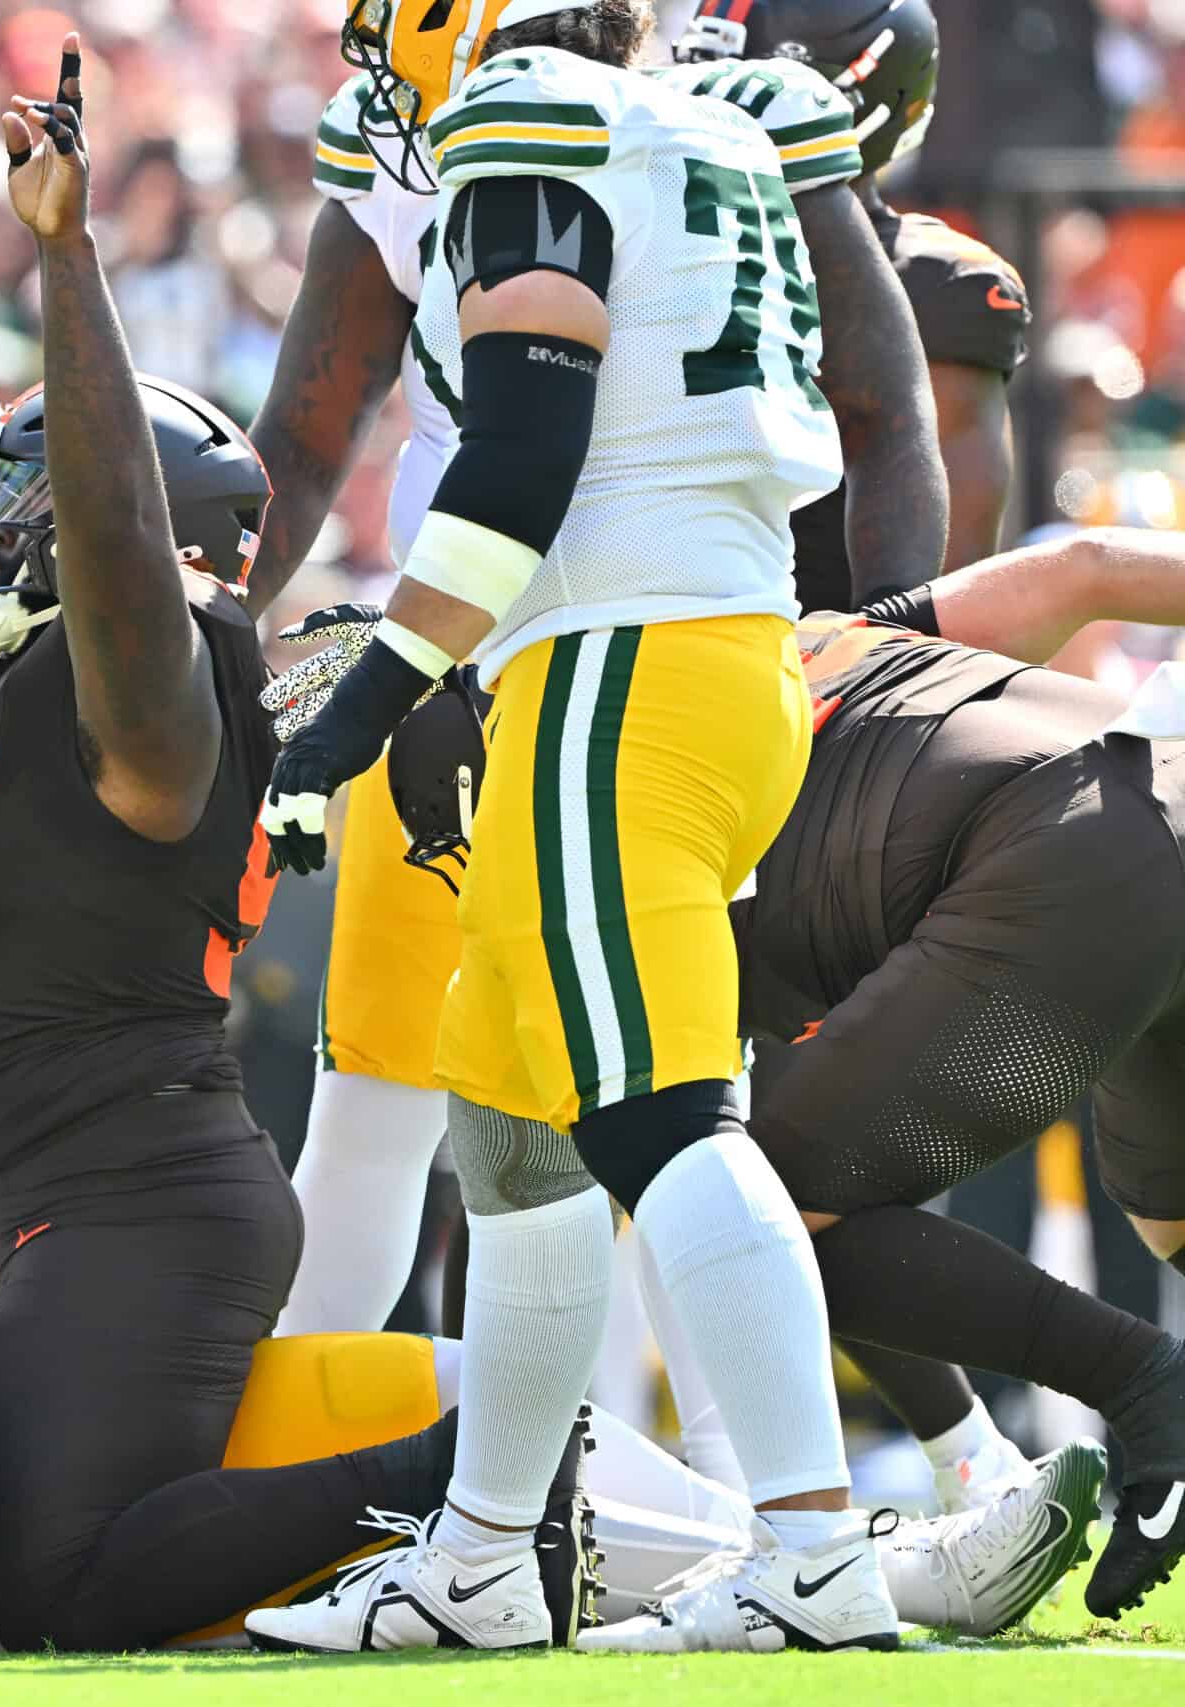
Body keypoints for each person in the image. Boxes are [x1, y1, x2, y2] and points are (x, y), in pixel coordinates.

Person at [0, 39, 584, 1652]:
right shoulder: (83, 661)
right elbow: (42, 477)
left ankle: (500, 1479)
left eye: (45, 492)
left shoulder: (164, 698)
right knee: (56, 1576)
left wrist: (68, 256)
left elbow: (98, 513)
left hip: (137, 1203)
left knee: (63, 1590)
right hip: (77, 1189)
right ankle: (484, 1484)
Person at [257, 0, 928, 1654]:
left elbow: (527, 446)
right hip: (699, 646)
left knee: (666, 1124)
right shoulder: (707, 119)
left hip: (614, 665)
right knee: (508, 1126)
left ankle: (810, 1550)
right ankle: (487, 1551)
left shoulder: (534, 114)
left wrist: (365, 700)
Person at [0, 1021, 1083, 1655]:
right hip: (12, 1566)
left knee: (472, 1393)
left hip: (41, 1453)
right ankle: (857, 1577)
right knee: (452, 1473)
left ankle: (833, 1556)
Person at [371, 525, 1185, 1627]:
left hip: (1051, 870)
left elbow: (689, 1206)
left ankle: (1138, 1391)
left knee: (749, 1211)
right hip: (1157, 789)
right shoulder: (798, 635)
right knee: (1173, 1226)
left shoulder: (594, 793)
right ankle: (992, 1458)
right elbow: (1081, 566)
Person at [673, 0, 1038, 1507]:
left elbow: (950, 530)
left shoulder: (930, 285)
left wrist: (848, 699)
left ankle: (978, 1454)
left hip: (836, 724)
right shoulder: (684, 229)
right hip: (692, 715)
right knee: (696, 1120)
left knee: (772, 1136)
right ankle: (863, 1472)